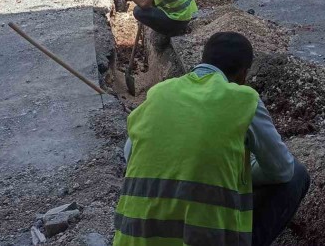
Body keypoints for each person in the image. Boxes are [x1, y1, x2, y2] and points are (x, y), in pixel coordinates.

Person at [114, 32, 310, 246]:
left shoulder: (159, 93)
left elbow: (130, 155)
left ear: (203, 60)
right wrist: (238, 172)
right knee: (297, 176)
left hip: (132, 240)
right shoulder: (243, 100)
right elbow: (282, 170)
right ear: (243, 74)